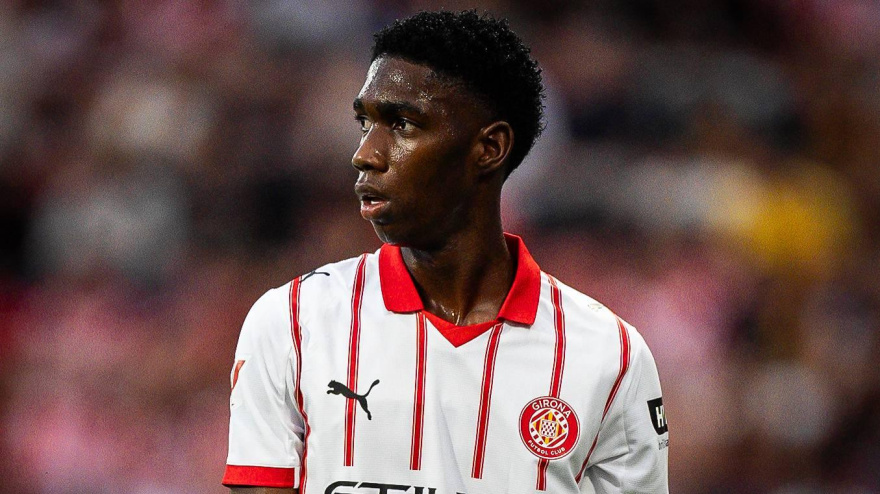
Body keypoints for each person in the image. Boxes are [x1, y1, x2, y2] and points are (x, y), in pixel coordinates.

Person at [223, 10, 668, 494]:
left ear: (490, 147)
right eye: (364, 122)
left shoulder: (609, 355)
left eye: (402, 124)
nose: (365, 153)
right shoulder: (291, 323)